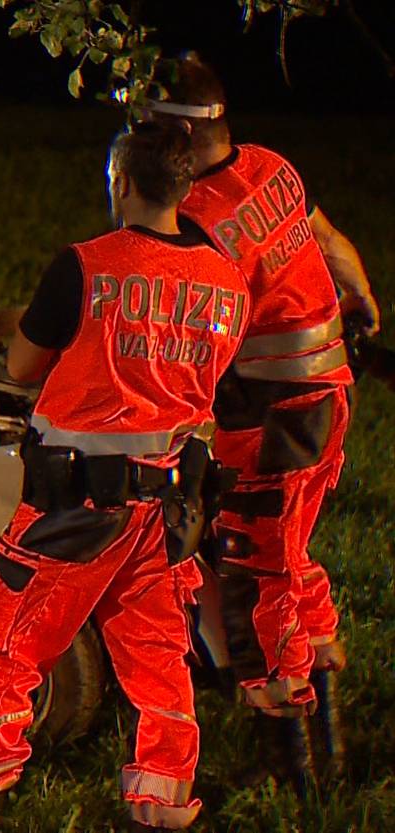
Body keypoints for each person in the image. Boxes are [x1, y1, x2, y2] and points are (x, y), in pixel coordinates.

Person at [0, 123, 248, 832]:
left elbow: (22, 367)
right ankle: (161, 809)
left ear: (121, 183)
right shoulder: (227, 281)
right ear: (186, 186)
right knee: (158, 663)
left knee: (6, 643)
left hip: (75, 510)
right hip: (166, 510)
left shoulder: (84, 264)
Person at [143, 53, 380, 786]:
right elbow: (334, 246)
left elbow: (192, 340)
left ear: (171, 142)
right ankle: (328, 729)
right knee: (293, 557)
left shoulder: (199, 222)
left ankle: (297, 777)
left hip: (273, 419)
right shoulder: (273, 166)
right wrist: (364, 304)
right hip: (330, 398)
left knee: (255, 574)